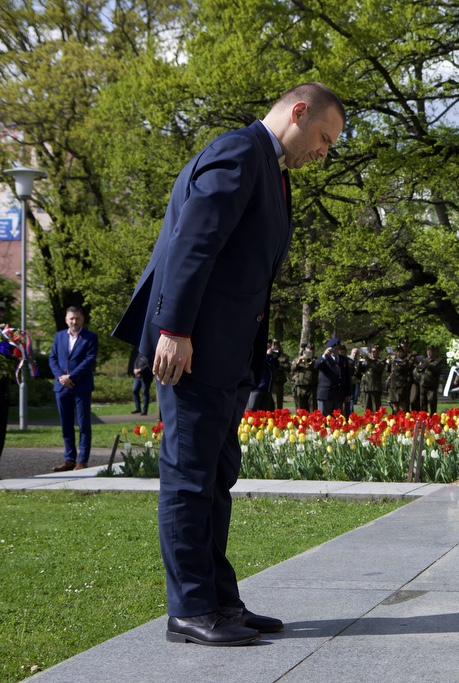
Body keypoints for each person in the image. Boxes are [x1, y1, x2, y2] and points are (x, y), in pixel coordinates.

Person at [112, 82, 346, 647]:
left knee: (216, 478)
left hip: (224, 353)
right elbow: (194, 244)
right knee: (190, 479)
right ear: (297, 112)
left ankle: (220, 602)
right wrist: (174, 330)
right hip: (193, 350)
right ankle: (189, 609)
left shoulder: (270, 169)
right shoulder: (240, 152)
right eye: (323, 137)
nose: (325, 152)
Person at [49, 306, 98, 472]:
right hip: (62, 388)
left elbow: (89, 360)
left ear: (82, 319)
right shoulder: (59, 336)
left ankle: (82, 460)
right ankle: (69, 459)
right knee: (66, 424)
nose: (74, 321)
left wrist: (72, 377)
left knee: (84, 424)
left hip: (81, 386)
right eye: (71, 318)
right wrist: (62, 378)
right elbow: (53, 359)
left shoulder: (90, 337)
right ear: (66, 319)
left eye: (77, 318)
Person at [315, 338, 345, 416]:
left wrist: (347, 393)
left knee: (337, 421)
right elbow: (316, 366)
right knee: (323, 419)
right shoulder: (323, 359)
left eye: (337, 348)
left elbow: (346, 376)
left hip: (338, 394)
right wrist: (324, 356)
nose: (335, 350)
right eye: (333, 348)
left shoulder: (343, 360)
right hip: (326, 394)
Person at [247, 342, 277, 411]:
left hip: (267, 390)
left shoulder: (269, 358)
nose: (270, 350)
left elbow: (275, 366)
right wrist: (267, 355)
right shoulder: (258, 356)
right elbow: (261, 365)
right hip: (257, 389)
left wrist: (274, 358)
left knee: (267, 412)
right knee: (252, 411)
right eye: (268, 348)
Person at [417, 345, 446, 413]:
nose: (429, 352)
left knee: (432, 403)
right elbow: (419, 370)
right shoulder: (424, 360)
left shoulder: (438, 360)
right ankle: (424, 418)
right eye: (428, 351)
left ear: (434, 352)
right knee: (423, 404)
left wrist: (428, 365)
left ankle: (433, 418)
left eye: (431, 351)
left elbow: (436, 370)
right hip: (423, 384)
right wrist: (419, 366)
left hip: (432, 385)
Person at [386, 345, 414, 413]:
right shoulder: (394, 361)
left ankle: (402, 418)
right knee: (394, 404)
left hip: (401, 386)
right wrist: (389, 363)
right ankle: (396, 418)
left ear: (403, 353)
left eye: (400, 351)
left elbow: (400, 368)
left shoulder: (405, 360)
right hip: (393, 385)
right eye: (397, 351)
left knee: (401, 404)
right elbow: (388, 370)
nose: (399, 353)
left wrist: (394, 361)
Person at [360, 345, 386, 411]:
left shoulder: (381, 361)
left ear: (378, 352)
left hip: (375, 388)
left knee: (376, 409)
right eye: (371, 351)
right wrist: (360, 361)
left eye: (374, 351)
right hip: (366, 388)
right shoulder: (367, 361)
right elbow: (359, 370)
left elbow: (379, 369)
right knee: (367, 409)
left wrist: (370, 360)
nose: (373, 353)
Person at [290, 346, 316, 411]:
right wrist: (299, 361)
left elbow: (315, 368)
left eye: (310, 352)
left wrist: (311, 359)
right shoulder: (298, 359)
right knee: (300, 408)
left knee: (312, 408)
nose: (308, 354)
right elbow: (292, 369)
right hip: (300, 386)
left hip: (311, 386)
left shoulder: (315, 360)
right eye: (307, 352)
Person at [132, 352, 154, 416]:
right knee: (135, 390)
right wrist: (135, 370)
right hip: (138, 377)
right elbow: (136, 362)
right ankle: (138, 408)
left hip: (146, 378)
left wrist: (140, 370)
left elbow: (148, 366)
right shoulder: (140, 354)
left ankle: (144, 410)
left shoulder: (150, 355)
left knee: (145, 392)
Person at [270, 339, 289, 410]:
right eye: (273, 346)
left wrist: (277, 363)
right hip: (268, 381)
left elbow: (288, 367)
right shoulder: (268, 354)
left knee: (277, 403)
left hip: (278, 382)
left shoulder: (283, 357)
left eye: (276, 346)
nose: (274, 348)